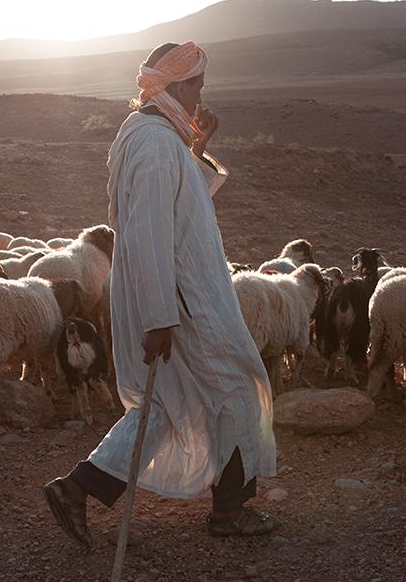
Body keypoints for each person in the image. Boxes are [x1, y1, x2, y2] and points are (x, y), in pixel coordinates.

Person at [43, 41, 278, 545]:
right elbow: (149, 232)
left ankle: (77, 490)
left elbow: (179, 200)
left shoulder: (155, 136)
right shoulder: (151, 142)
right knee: (235, 390)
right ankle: (230, 512)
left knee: (168, 404)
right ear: (171, 85)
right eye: (195, 84)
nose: (200, 94)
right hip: (180, 298)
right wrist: (159, 317)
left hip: (173, 297)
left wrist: (195, 147)